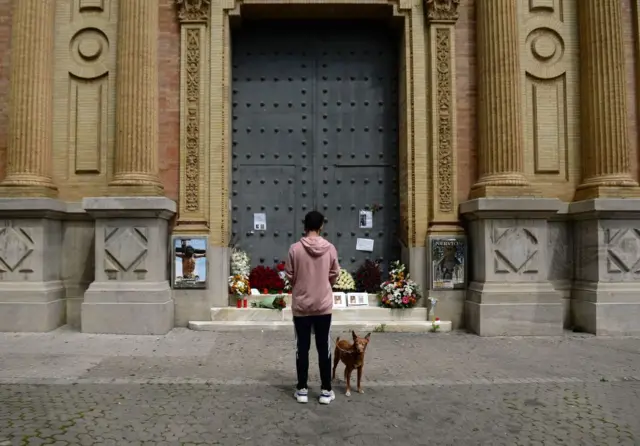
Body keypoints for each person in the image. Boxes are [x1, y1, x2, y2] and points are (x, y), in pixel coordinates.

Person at [285, 210, 340, 404]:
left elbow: (289, 275)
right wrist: (325, 285)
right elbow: (335, 272)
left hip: (301, 306)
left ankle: (302, 390)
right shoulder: (330, 248)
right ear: (321, 226)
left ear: (304, 225)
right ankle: (326, 391)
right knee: (323, 347)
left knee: (302, 347)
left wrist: (301, 285)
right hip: (323, 305)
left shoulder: (295, 249)